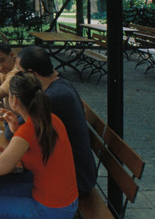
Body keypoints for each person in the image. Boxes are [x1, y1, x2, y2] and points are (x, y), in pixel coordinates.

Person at [0, 72, 78, 219]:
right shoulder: (50, 119)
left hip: (51, 209)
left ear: (14, 100)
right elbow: (34, 148)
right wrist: (16, 129)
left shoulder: (29, 129)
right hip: (66, 201)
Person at [15, 45, 97, 197]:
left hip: (76, 181)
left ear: (32, 73)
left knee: (3, 175)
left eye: (20, 73)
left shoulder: (53, 97)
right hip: (77, 172)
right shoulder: (61, 84)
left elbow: (13, 131)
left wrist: (13, 107)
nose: (18, 77)